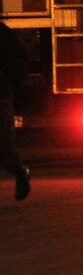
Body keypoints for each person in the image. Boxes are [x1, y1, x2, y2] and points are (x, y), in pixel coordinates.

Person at [0, 20, 31, 201]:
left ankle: (20, 172)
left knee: (5, 147)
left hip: (0, 95)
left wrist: (8, 81)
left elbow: (20, 59)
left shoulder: (2, 33)